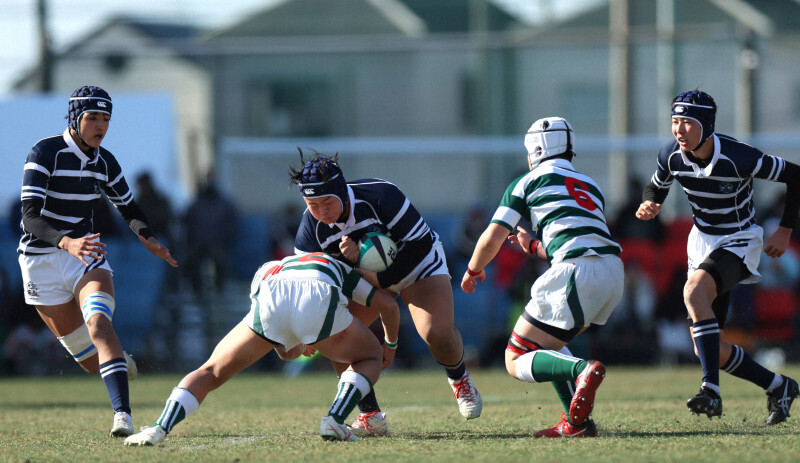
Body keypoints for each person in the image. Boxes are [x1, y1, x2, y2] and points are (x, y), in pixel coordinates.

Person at [17, 85, 178, 436]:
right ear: (75, 119)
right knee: (89, 361)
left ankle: (123, 416)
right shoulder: (45, 152)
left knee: (99, 326)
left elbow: (128, 207)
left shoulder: (105, 161)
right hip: (40, 263)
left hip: (86, 256)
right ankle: (120, 362)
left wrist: (148, 238)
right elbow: (29, 218)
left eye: (106, 118)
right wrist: (65, 242)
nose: (100, 125)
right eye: (92, 117)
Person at [289, 150, 483, 436]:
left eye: (327, 202)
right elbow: (309, 281)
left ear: (342, 192)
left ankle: (459, 378)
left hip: (417, 266)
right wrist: (306, 328)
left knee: (437, 335)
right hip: (366, 281)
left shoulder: (381, 195)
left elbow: (418, 246)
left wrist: (373, 274)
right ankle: (370, 416)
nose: (322, 212)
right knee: (335, 338)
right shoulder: (310, 228)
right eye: (312, 204)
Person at [635, 89, 800, 424]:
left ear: (707, 125)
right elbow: (657, 185)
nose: (678, 130)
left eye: (687, 122)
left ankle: (711, 390)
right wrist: (650, 202)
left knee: (694, 292)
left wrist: (785, 230)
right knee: (711, 349)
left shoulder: (739, 157)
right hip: (701, 243)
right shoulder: (671, 154)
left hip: (740, 240)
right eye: (674, 121)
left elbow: (795, 175)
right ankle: (778, 385)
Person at [123, 252, 400, 445]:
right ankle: (336, 419)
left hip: (270, 287)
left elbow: (281, 345)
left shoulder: (272, 265)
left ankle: (159, 427)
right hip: (317, 288)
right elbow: (387, 305)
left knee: (211, 370)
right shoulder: (339, 266)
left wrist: (297, 340)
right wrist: (389, 345)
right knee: (369, 356)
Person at [461, 117, 624, 438]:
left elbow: (492, 236)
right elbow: (580, 237)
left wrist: (472, 269)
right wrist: (533, 245)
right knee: (550, 344)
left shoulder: (527, 181)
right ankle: (575, 424)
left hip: (575, 272)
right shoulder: (591, 185)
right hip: (611, 272)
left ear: (537, 148)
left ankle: (582, 371)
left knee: (515, 357)